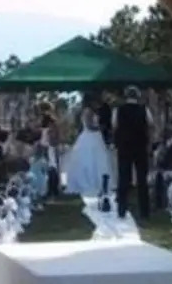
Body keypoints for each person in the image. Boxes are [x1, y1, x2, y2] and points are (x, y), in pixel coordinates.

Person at [112, 85, 155, 220]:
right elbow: (151, 124)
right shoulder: (144, 109)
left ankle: (122, 209)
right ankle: (144, 211)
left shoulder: (118, 110)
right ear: (137, 96)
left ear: (126, 96)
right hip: (140, 146)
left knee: (123, 178)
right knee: (142, 179)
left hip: (124, 147)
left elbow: (114, 126)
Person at [64, 105, 111, 197]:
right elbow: (89, 126)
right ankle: (92, 183)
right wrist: (100, 128)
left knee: (99, 161)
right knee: (90, 161)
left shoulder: (90, 112)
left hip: (96, 138)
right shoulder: (87, 112)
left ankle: (101, 183)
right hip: (90, 138)